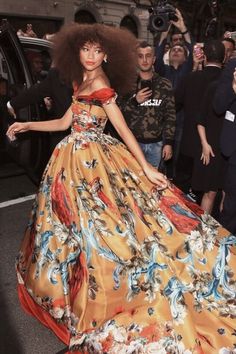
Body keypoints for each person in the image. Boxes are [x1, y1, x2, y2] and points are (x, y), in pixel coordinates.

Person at [7, 23, 236, 353]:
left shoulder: (100, 82)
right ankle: (78, 292)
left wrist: (145, 167)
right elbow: (63, 123)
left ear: (106, 54)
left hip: (94, 164)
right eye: (85, 49)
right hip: (71, 161)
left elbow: (123, 128)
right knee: (73, 230)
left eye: (96, 51)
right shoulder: (81, 80)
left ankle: (108, 296)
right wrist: (27, 123)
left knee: (103, 232)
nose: (90, 56)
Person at [174, 39, 225, 198]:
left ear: (204, 56)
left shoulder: (190, 78)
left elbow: (175, 105)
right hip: (215, 149)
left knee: (180, 196)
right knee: (209, 196)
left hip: (188, 145)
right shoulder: (228, 82)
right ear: (224, 59)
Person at [113, 40, 175, 170]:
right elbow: (116, 114)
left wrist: (168, 143)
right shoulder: (127, 85)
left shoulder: (164, 84)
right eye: (140, 56)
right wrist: (135, 101)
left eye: (148, 55)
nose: (144, 60)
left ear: (154, 59)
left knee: (152, 185)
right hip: (131, 143)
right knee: (132, 182)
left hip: (156, 144)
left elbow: (170, 115)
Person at [213, 58, 236, 234]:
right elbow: (219, 106)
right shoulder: (233, 66)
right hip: (234, 155)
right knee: (230, 213)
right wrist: (233, 87)